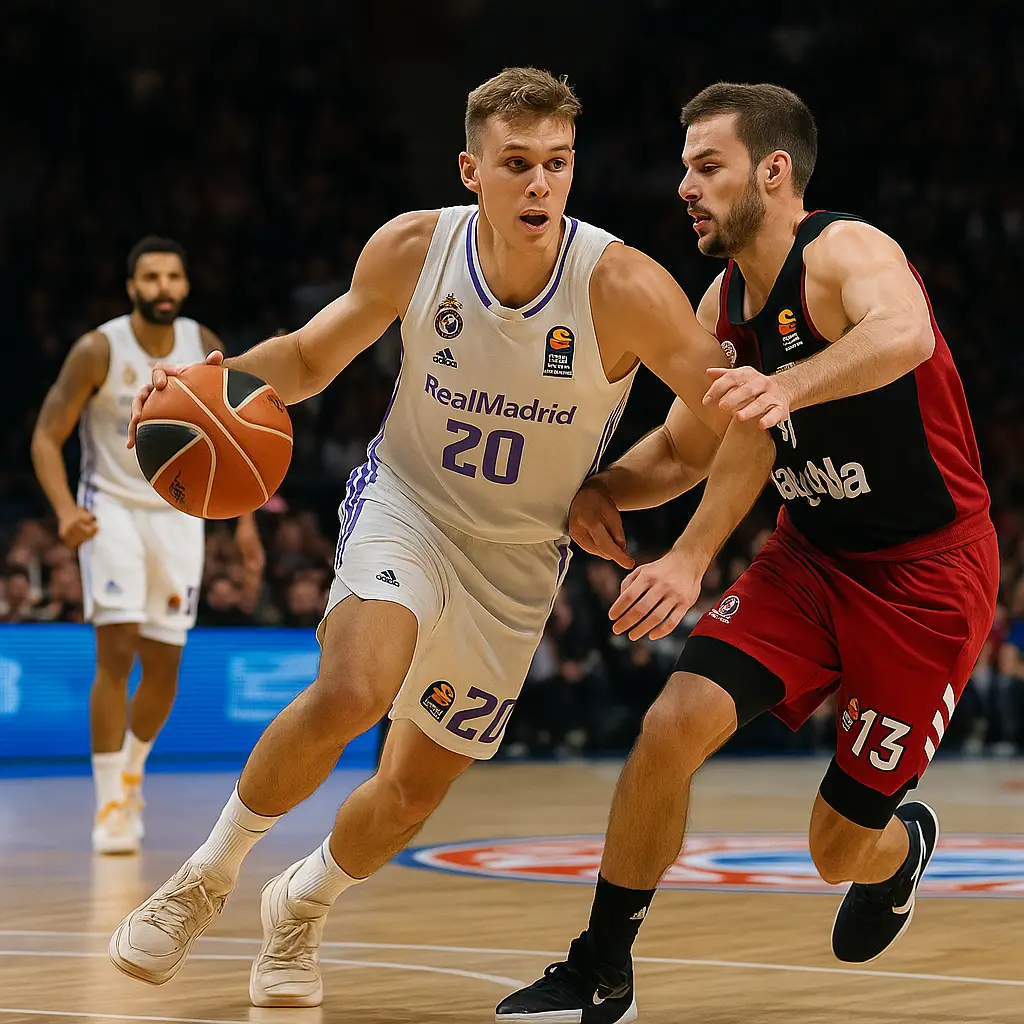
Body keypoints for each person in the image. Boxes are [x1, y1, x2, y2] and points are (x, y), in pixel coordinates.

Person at [106, 67, 731, 1008]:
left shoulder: (625, 284)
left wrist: (629, 496)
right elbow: (311, 359)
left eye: (557, 164)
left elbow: (727, 423)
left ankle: (302, 906)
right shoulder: (415, 248)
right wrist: (212, 381)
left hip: (517, 562)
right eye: (516, 163)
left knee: (407, 793)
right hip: (410, 503)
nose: (540, 185)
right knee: (354, 686)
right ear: (471, 170)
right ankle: (206, 875)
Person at [498, 83, 997, 1023]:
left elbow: (906, 332)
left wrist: (791, 386)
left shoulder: (846, 250)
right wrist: (602, 489)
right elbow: (689, 448)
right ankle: (600, 966)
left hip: (927, 580)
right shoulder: (722, 301)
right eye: (684, 167)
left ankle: (901, 851)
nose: (684, 185)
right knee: (668, 727)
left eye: (707, 166)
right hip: (809, 561)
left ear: (773, 171)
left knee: (837, 851)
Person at [30, 237, 264, 855]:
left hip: (181, 514)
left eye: (172, 276)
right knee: (117, 650)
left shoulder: (201, 342)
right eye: (150, 277)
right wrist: (64, 512)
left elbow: (240, 442)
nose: (162, 286)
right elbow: (45, 436)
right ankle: (109, 803)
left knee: (165, 664)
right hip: (109, 511)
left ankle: (133, 774)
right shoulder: (98, 349)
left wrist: (245, 523)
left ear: (185, 286)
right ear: (131, 287)